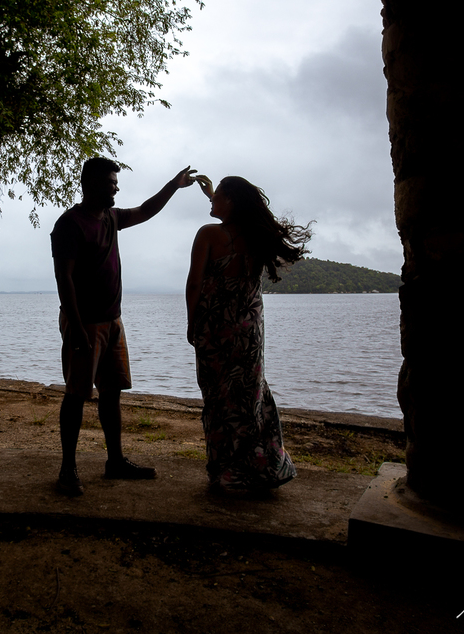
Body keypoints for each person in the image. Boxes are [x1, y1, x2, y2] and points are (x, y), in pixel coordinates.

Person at [51, 157, 197, 496]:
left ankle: (114, 461)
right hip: (84, 323)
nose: (116, 188)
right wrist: (75, 327)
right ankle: (67, 469)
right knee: (76, 396)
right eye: (111, 183)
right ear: (90, 185)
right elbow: (65, 279)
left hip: (113, 321)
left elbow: (146, 210)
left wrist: (173, 186)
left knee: (112, 392)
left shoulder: (111, 219)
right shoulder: (69, 224)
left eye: (117, 183)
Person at [185, 176, 311, 494]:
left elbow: (194, 285)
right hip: (249, 330)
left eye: (217, 198)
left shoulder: (208, 234)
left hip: (216, 329)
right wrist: (214, 192)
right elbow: (233, 214)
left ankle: (228, 472)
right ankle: (261, 466)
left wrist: (191, 322)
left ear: (231, 201)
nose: (210, 203)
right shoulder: (256, 235)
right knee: (248, 395)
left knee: (218, 397)